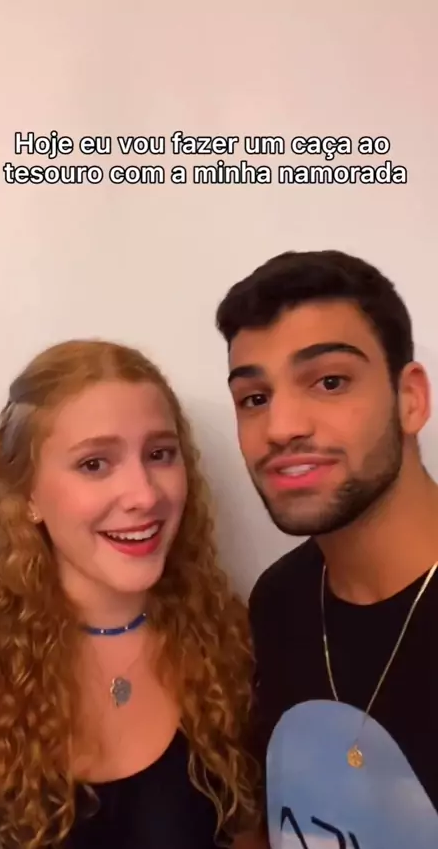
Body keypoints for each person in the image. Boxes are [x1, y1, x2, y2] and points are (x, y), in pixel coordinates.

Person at [0, 339, 259, 849]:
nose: (144, 495)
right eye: (94, 464)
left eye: (160, 454)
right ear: (26, 494)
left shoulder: (227, 643)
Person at [215, 249, 438, 849]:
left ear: (410, 399)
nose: (281, 426)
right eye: (254, 398)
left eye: (330, 381)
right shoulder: (279, 600)